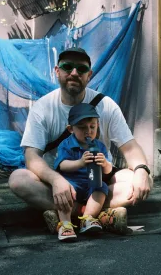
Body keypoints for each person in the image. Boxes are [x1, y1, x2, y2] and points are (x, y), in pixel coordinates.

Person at [8, 47, 153, 235]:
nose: (74, 73)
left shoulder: (106, 105)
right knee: (18, 179)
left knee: (141, 179)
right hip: (62, 180)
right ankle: (99, 216)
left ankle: (70, 217)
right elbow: (31, 156)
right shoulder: (43, 107)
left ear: (89, 75)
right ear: (57, 71)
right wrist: (55, 180)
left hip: (97, 178)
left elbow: (130, 147)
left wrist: (141, 171)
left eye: (81, 69)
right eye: (67, 67)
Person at [53, 103, 113, 241]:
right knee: (64, 192)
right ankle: (65, 224)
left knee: (101, 187)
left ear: (97, 125)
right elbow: (62, 165)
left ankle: (87, 218)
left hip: (91, 181)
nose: (89, 131)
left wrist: (104, 163)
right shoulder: (66, 144)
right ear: (70, 129)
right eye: (82, 127)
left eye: (92, 126)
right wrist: (80, 162)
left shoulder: (99, 145)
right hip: (72, 182)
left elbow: (108, 170)